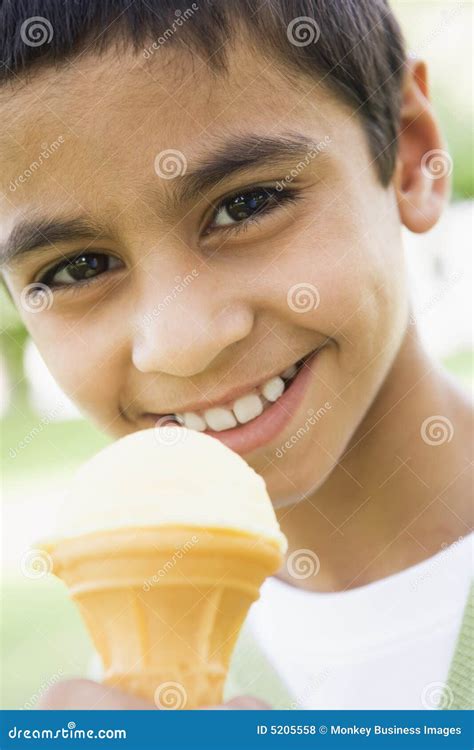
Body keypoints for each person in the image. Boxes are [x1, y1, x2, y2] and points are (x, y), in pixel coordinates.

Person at [1, 0, 472, 710]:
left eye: (247, 205)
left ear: (410, 156)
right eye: (78, 269)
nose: (183, 344)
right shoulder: (141, 672)